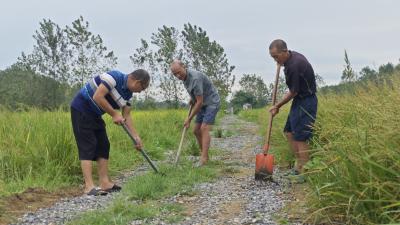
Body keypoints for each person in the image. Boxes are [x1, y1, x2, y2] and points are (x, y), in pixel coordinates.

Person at [70, 69, 150, 195]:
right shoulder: (113, 77)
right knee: (88, 146)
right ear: (137, 82)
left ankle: (104, 183)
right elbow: (98, 96)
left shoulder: (128, 94)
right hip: (81, 109)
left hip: (95, 114)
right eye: (142, 88)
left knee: (103, 145)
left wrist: (136, 137)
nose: (140, 92)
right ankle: (89, 186)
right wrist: (113, 113)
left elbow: (126, 115)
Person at [268, 39, 318, 174]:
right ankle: (298, 165)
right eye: (273, 57)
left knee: (301, 137)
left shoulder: (294, 66)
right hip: (299, 100)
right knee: (289, 131)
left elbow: (293, 91)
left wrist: (277, 106)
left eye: (276, 57)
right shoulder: (291, 58)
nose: (275, 60)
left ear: (284, 52)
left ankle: (305, 171)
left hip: (307, 101)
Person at [170, 60, 220, 166]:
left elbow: (200, 102)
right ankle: (204, 154)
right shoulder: (184, 78)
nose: (178, 76)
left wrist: (189, 119)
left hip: (211, 102)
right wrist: (192, 99)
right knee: (196, 130)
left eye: (179, 72)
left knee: (204, 128)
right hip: (201, 103)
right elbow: (196, 97)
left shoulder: (195, 78)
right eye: (175, 74)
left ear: (184, 66)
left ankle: (204, 158)